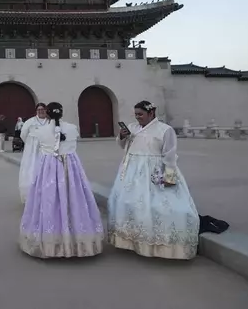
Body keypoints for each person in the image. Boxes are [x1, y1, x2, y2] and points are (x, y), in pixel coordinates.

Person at [107, 100, 200, 260]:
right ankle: (130, 241)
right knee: (128, 204)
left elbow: (170, 155)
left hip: (154, 171)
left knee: (160, 207)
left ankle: (160, 245)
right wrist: (122, 137)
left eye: (141, 114)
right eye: (136, 114)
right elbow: (123, 146)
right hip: (131, 171)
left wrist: (169, 176)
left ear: (151, 113)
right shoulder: (132, 128)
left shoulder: (165, 130)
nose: (138, 118)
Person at [19, 102, 104, 258]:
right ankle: (79, 241)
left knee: (49, 200)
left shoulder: (40, 131)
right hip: (71, 168)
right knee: (74, 198)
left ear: (48, 113)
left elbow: (29, 141)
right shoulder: (72, 128)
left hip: (49, 168)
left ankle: (51, 242)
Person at [18, 103, 48, 203]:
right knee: (32, 168)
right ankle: (31, 195)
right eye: (39, 110)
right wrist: (31, 143)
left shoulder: (50, 121)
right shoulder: (30, 122)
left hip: (47, 148)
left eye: (43, 109)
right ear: (36, 111)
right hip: (33, 149)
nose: (41, 111)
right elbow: (23, 134)